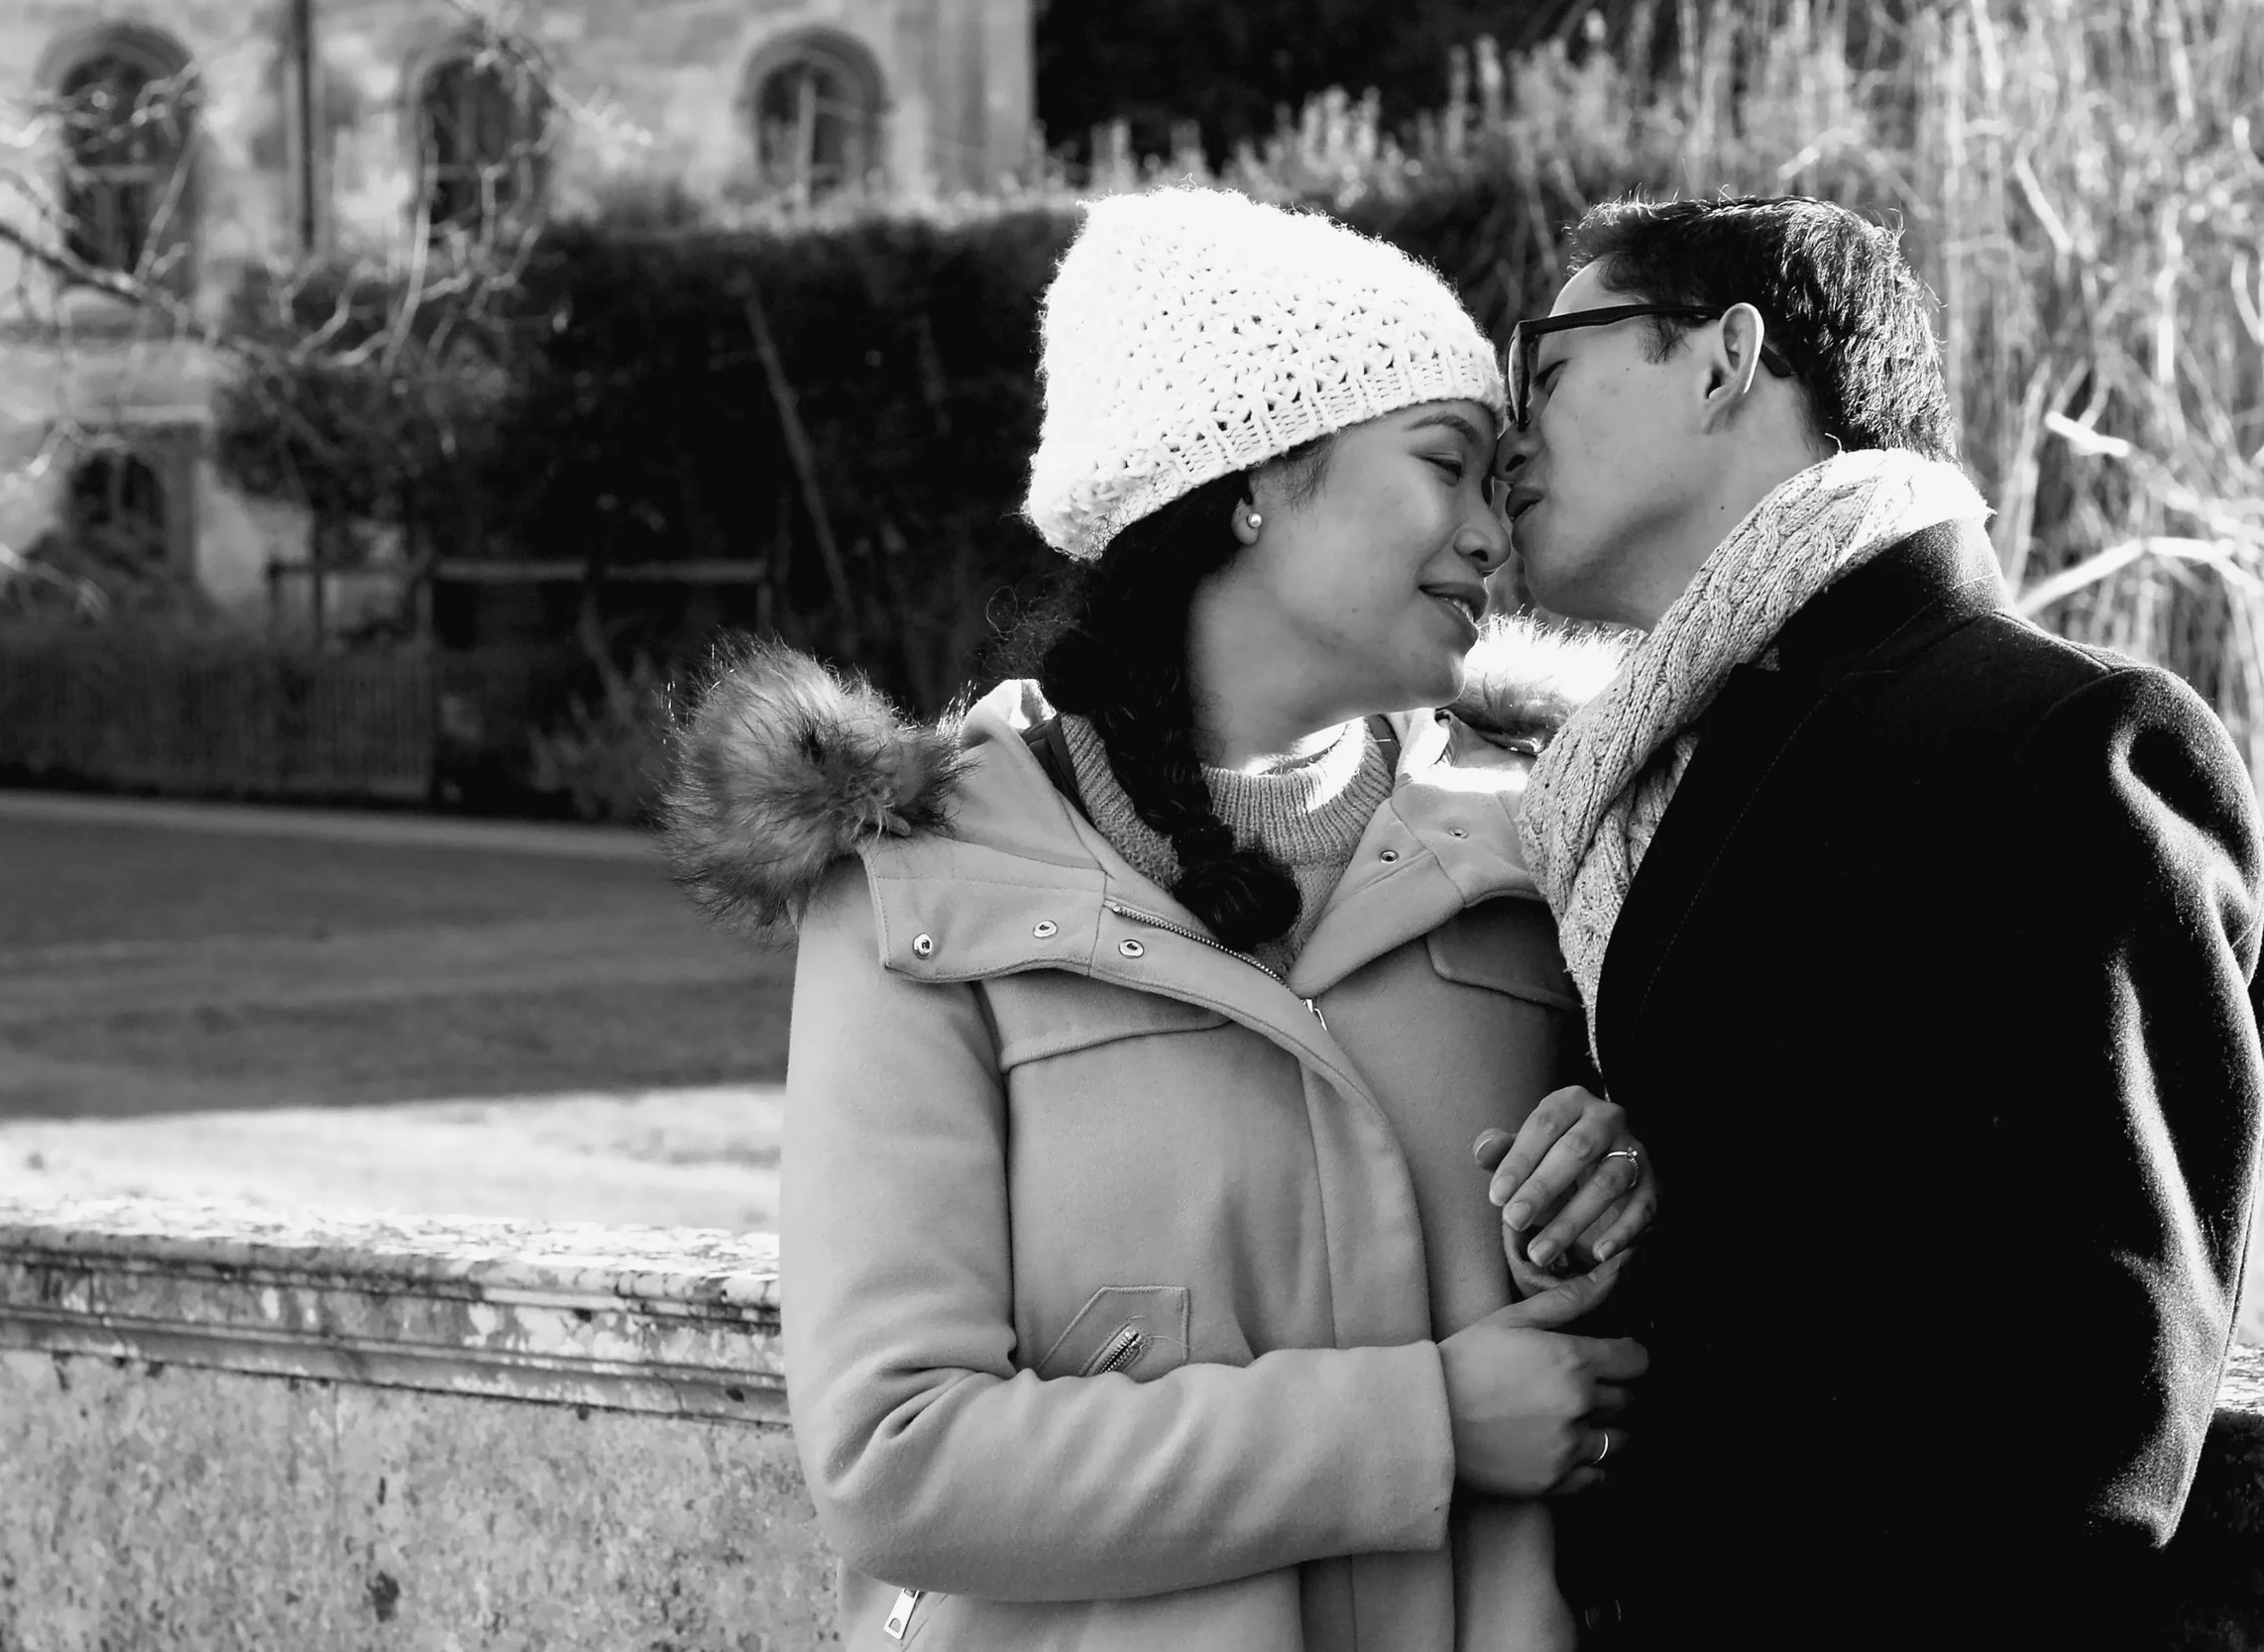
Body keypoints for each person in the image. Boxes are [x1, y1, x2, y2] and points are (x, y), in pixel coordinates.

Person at [662, 187, 1651, 1650]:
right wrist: (1427, 1422)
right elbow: (900, 1458)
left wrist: (1637, 1174)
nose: (1489, 534)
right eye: (1446, 464)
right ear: (1252, 478)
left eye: (1503, 482)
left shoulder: (1558, 843)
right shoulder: (931, 880)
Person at [1483, 195, 2264, 1649]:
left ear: (1727, 359)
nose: (1505, 433)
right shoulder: (1658, 785)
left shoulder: (2061, 737)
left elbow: (2098, 1400)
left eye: (1544, 366)